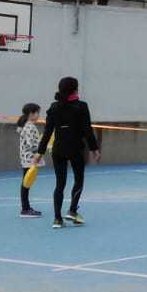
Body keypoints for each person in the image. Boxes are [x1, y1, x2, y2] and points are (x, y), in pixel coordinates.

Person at [35, 76, 100, 229]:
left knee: (60, 184)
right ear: (75, 89)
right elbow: (87, 130)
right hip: (75, 149)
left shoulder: (54, 107)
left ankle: (57, 219)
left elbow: (47, 132)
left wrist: (40, 152)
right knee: (78, 180)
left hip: (58, 150)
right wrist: (94, 148)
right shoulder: (81, 106)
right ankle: (72, 210)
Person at [16, 103, 44, 218]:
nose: (38, 115)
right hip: (29, 159)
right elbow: (31, 145)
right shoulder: (29, 127)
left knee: (27, 182)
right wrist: (43, 146)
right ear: (31, 113)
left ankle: (26, 207)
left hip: (27, 158)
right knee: (26, 183)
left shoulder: (28, 126)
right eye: (37, 113)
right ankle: (25, 209)